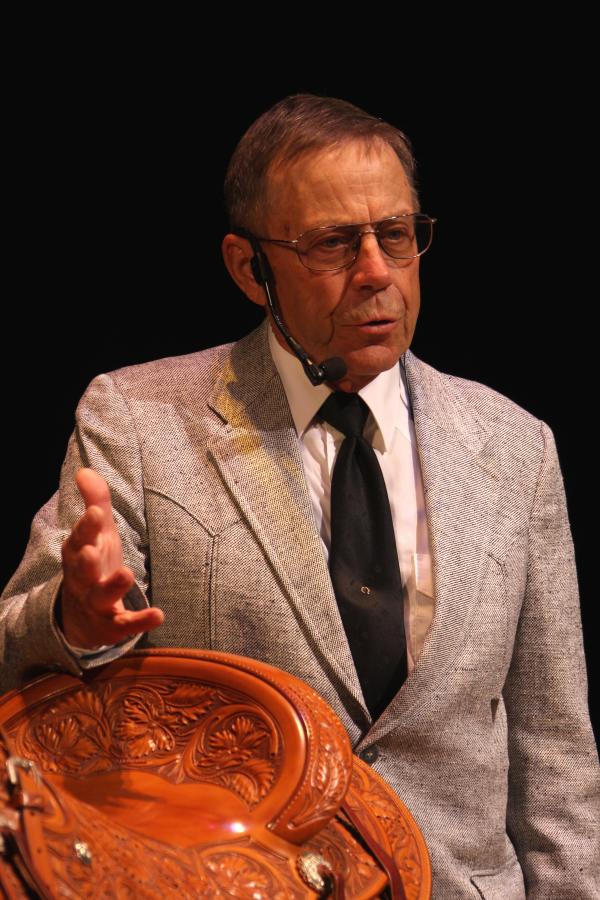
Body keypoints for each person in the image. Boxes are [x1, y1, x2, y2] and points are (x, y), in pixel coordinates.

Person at [1, 94, 598, 898]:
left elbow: (553, 753)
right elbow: (15, 649)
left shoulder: (516, 447)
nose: (377, 272)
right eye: (332, 245)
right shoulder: (139, 421)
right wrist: (75, 619)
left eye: (396, 235)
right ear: (250, 267)